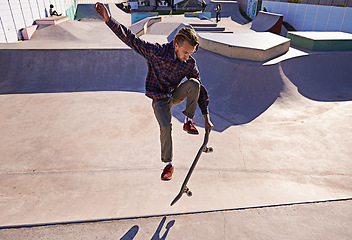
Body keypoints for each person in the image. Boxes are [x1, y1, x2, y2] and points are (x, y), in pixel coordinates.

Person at [95, 2, 214, 181]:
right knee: (165, 127)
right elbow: (131, 39)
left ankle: (188, 121)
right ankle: (168, 165)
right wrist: (108, 20)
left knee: (195, 83)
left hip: (174, 95)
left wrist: (206, 118)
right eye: (185, 52)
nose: (187, 57)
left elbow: (201, 91)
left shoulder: (189, 63)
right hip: (159, 99)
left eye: (190, 54)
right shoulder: (156, 52)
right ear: (176, 45)